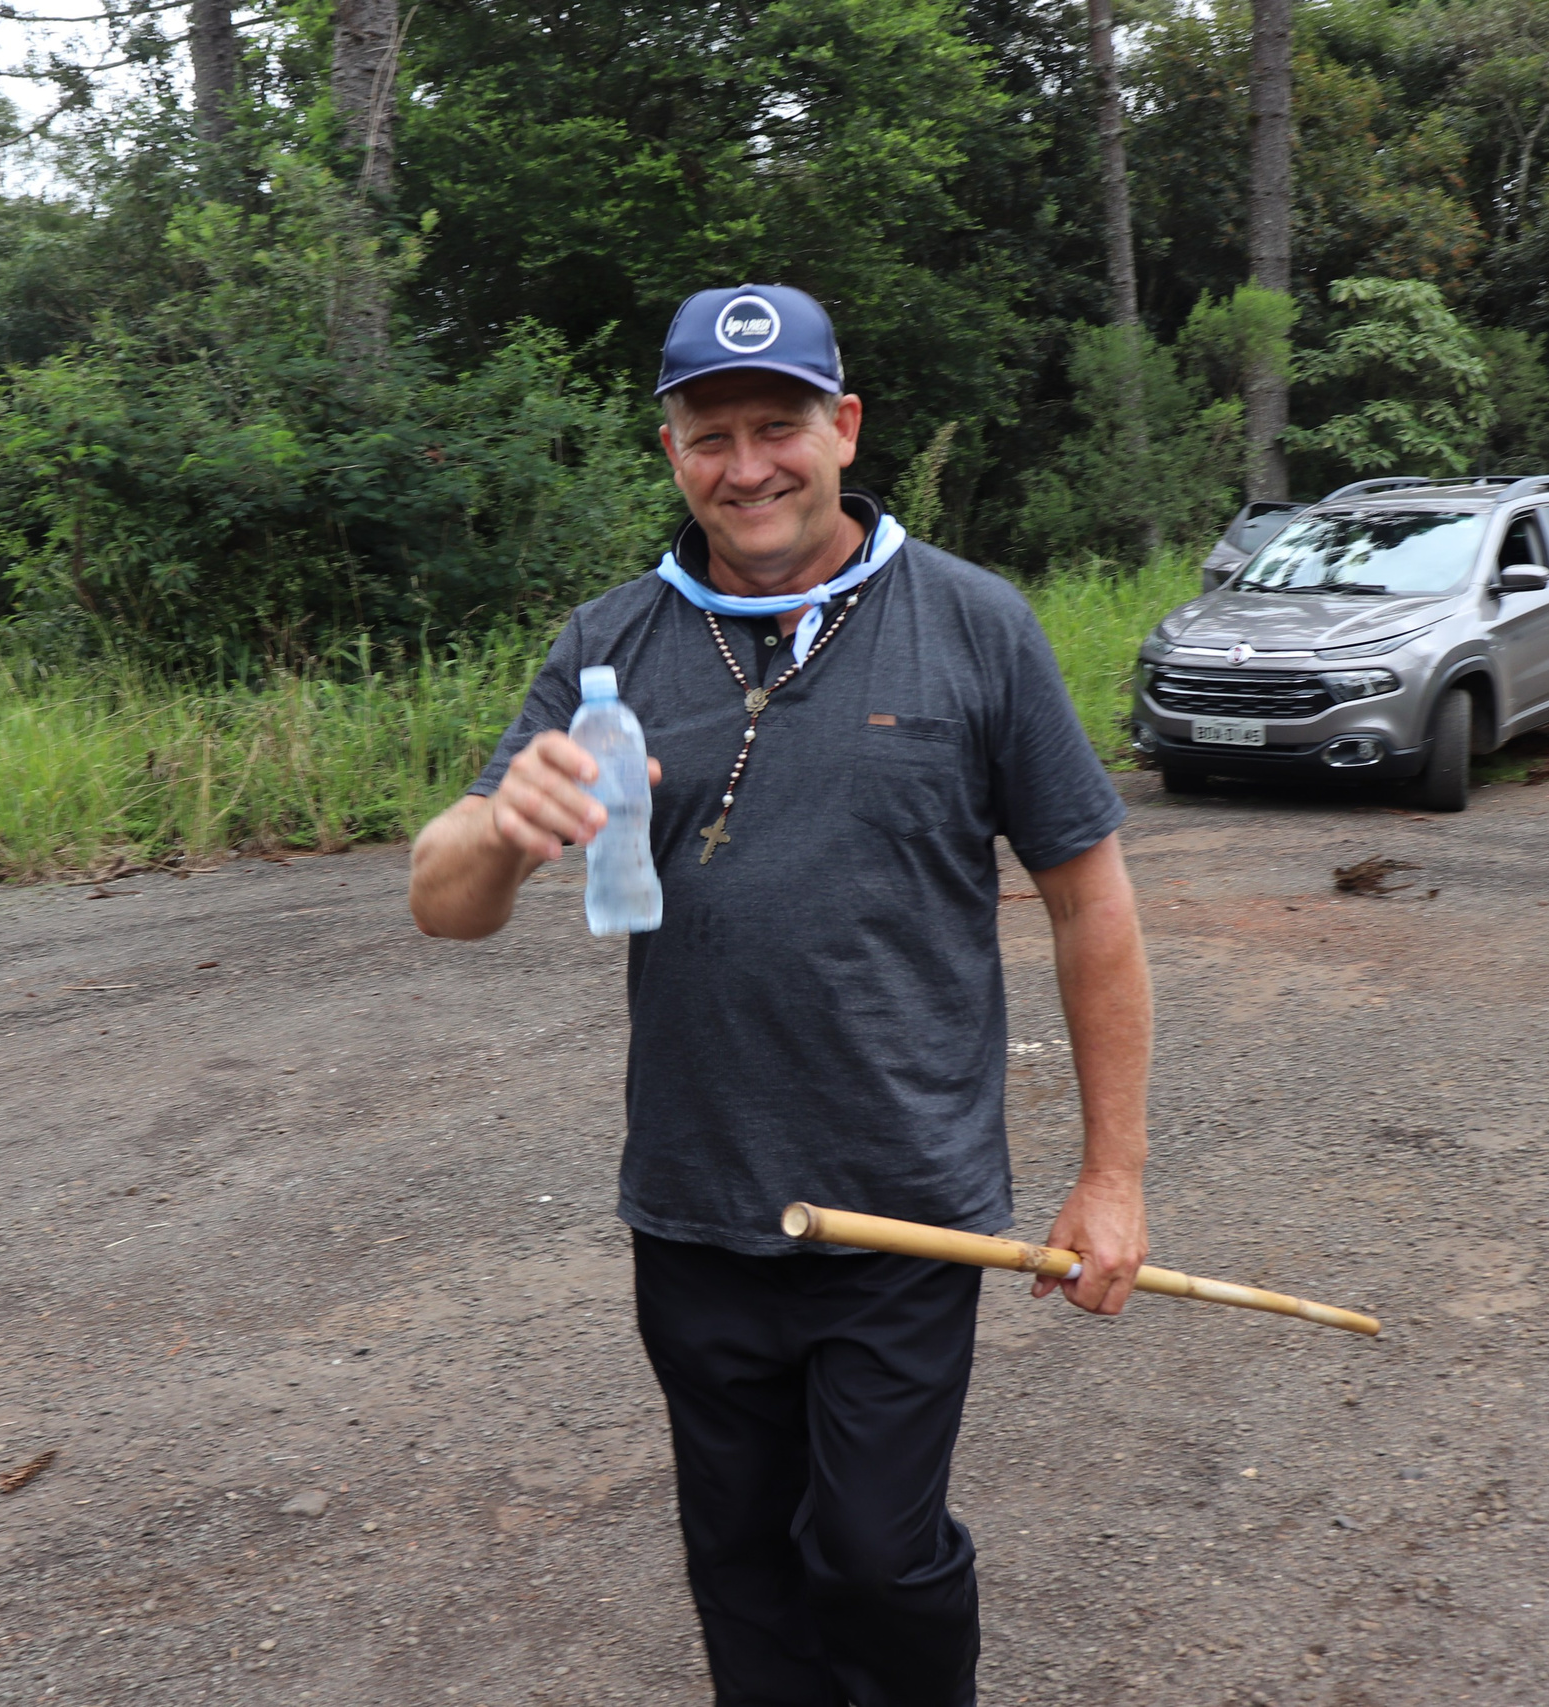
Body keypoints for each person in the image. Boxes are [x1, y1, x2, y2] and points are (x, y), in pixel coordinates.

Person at [409, 283, 1153, 1707]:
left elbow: (1090, 901)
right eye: (711, 435)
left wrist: (1110, 1177)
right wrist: (502, 827)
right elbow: (442, 904)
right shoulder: (611, 644)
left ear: (844, 426)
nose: (747, 466)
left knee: (874, 1552)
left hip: (907, 1209)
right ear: (672, 451)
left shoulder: (975, 626)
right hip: (698, 1207)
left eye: (779, 427)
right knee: (742, 1561)